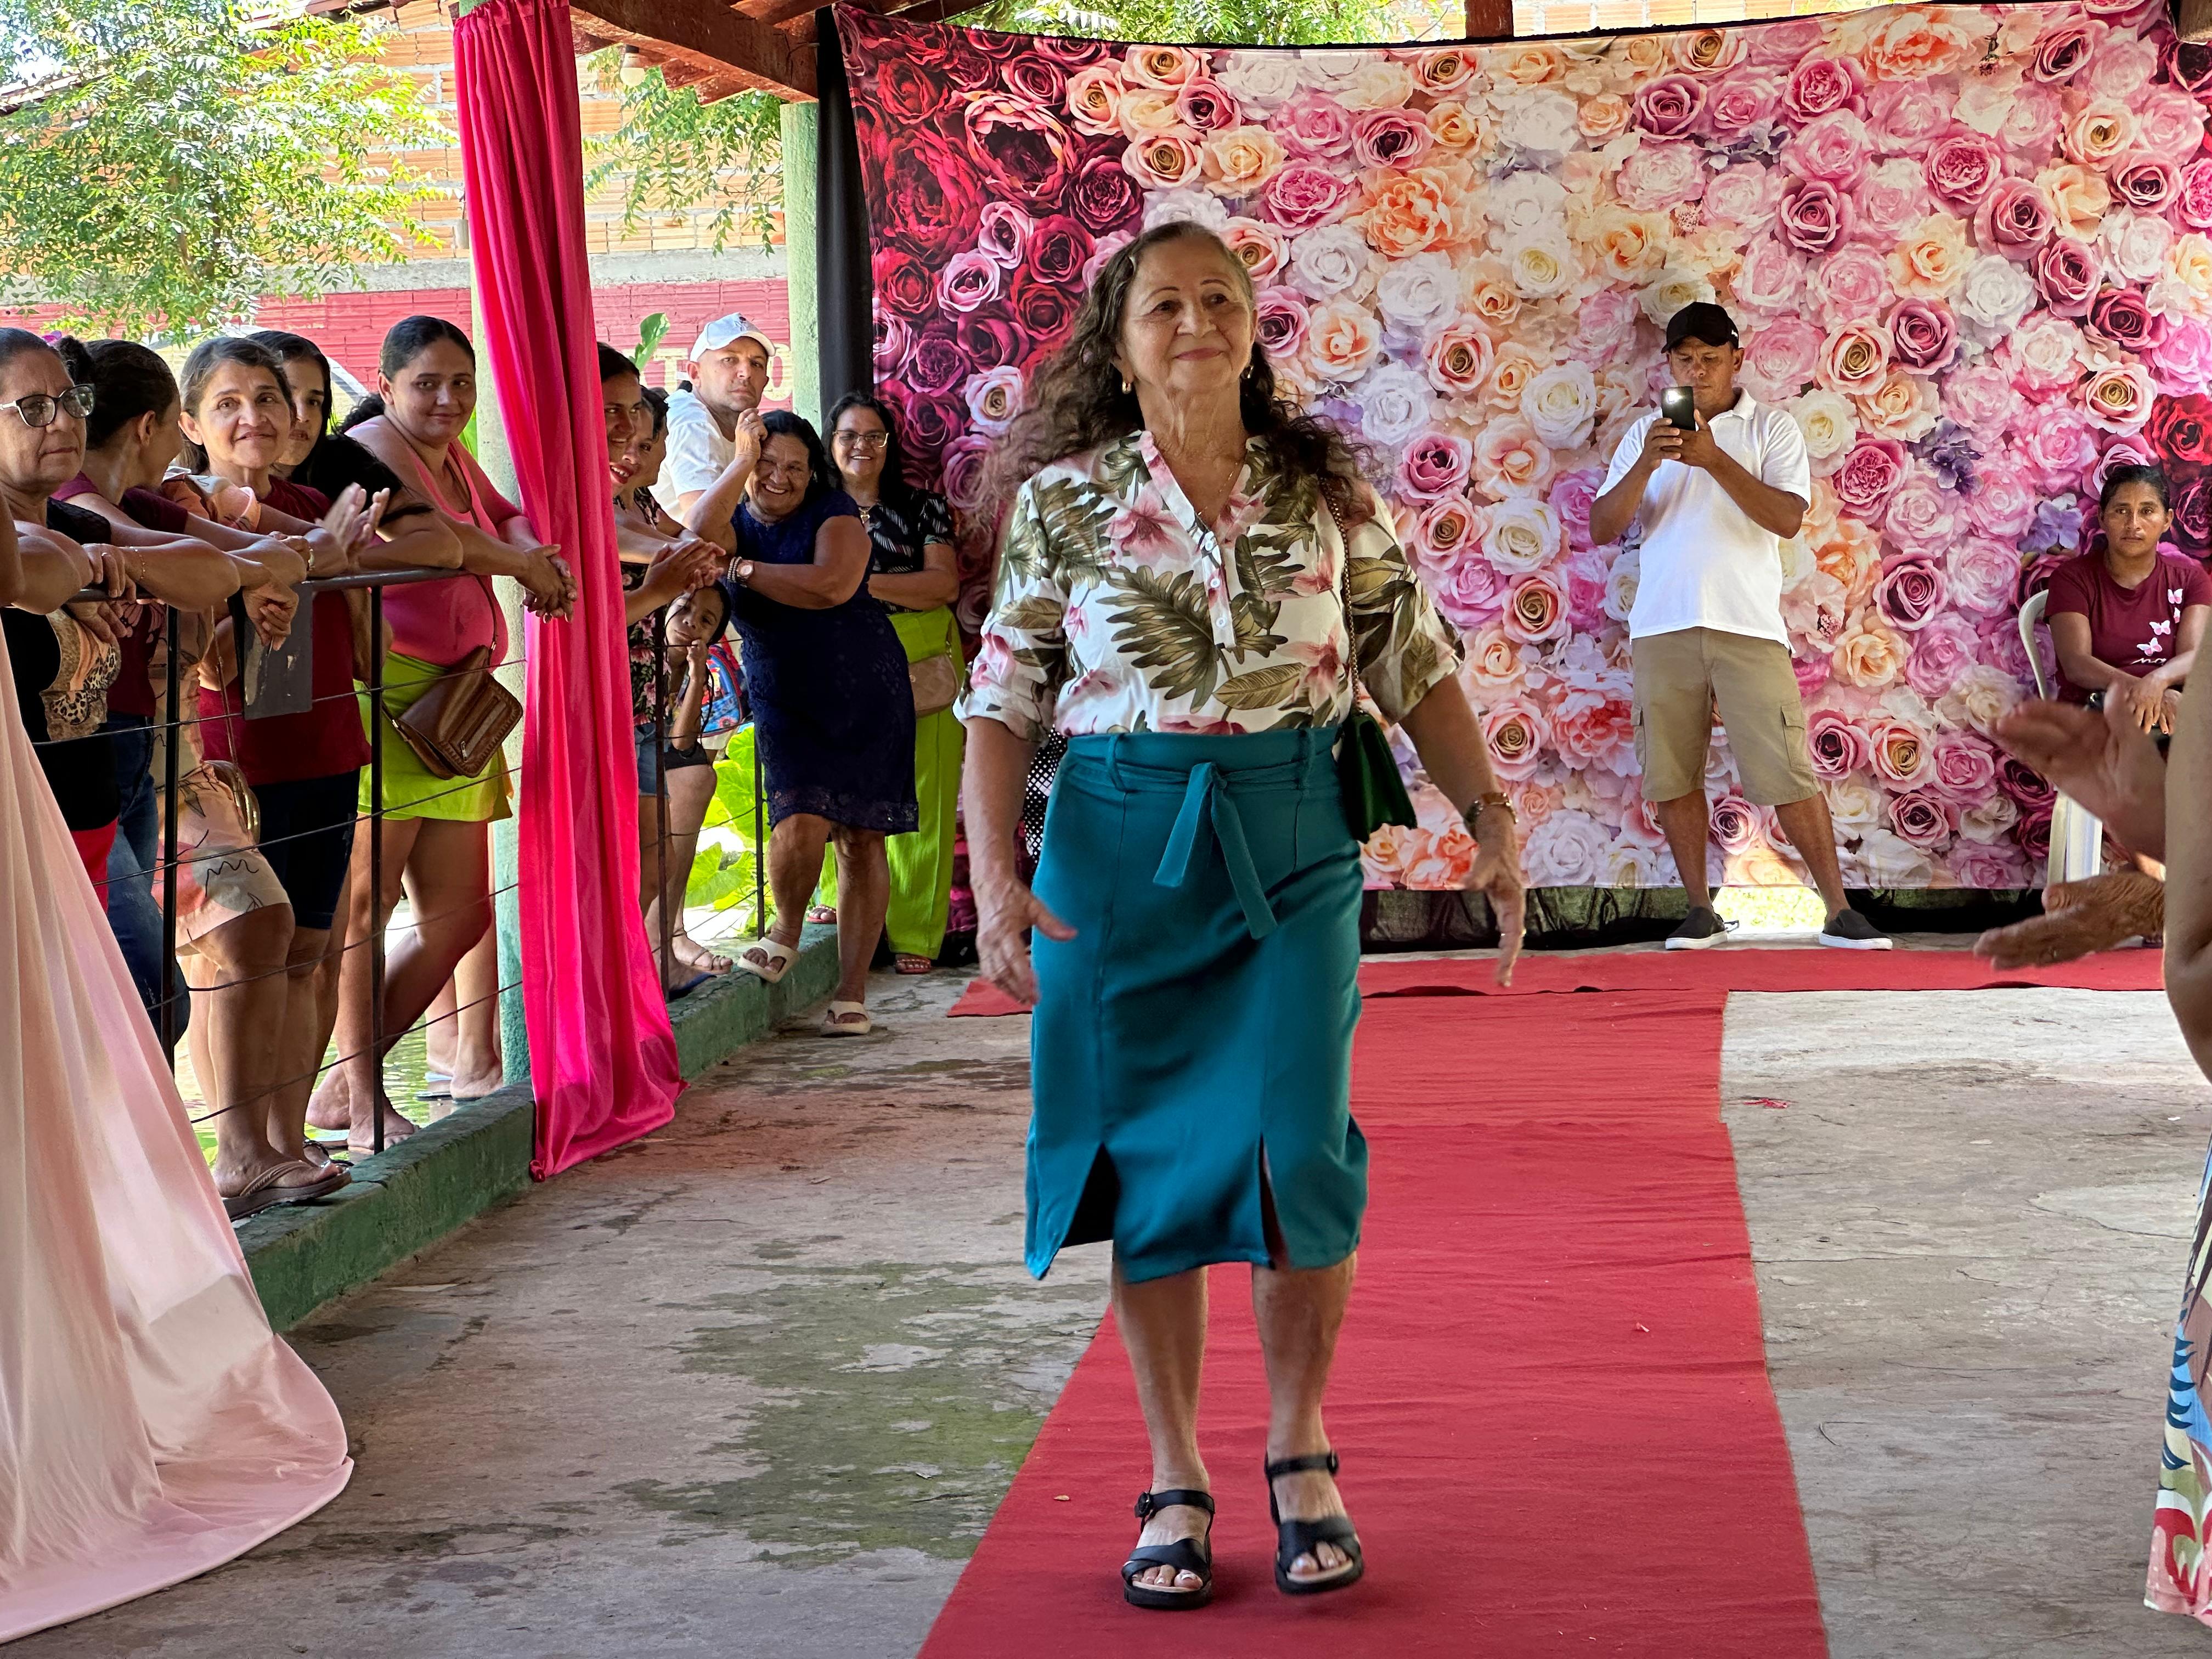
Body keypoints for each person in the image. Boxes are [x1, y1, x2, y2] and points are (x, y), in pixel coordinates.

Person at [961, 221, 1527, 1609]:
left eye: (1220, 298)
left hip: (1292, 844)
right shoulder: (1064, 503)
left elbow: (1413, 661)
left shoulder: (1321, 490)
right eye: (1165, 304)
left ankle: (1298, 1444)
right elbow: (1003, 699)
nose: (1196, 321)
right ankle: (1172, 1473)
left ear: (1252, 330)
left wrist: (1492, 818)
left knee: (1296, 1150)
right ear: (1119, 343)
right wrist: (996, 883)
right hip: (1115, 855)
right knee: (1146, 1157)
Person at [0, 503, 353, 1647]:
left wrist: (105, 559)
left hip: (96, 821)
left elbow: (181, 567)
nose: (48, 427)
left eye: (62, 414)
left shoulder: (86, 521)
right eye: (28, 416)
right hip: (70, 824)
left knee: (173, 1000)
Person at [315, 316, 574, 1145]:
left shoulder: (453, 451)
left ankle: (337, 1089)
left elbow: (504, 515)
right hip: (390, 701)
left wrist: (536, 555)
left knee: (459, 918)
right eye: (426, 384)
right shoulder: (372, 447)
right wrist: (522, 564)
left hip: (459, 707)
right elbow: (452, 544)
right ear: (386, 386)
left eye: (461, 383)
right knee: (366, 908)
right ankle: (363, 1101)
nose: (447, 399)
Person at [1588, 301, 1889, 952]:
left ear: (1736, 360)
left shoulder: (1771, 428)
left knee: (1786, 769)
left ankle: (1839, 911)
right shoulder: (1645, 434)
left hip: (1749, 626)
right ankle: (1700, 910)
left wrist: (1713, 459)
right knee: (1673, 774)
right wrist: (1647, 463)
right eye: (1684, 359)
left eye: (1710, 358)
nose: (1697, 371)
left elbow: (1786, 519)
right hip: (1663, 625)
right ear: (1669, 364)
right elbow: (1602, 528)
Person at [179, 335, 396, 1212]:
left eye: (268, 399)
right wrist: (300, 561)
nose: (254, 418)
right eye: (228, 403)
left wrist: (333, 559)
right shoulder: (183, 513)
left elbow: (367, 626)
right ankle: (239, 1147)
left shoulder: (311, 503)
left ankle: (284, 1137)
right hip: (233, 762)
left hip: (325, 746)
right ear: (189, 422)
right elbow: (210, 662)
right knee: (235, 957)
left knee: (307, 952)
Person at [58, 335, 311, 1032]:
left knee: (155, 972)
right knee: (146, 981)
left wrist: (250, 576)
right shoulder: (76, 508)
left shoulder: (142, 503)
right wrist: (242, 575)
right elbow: (209, 564)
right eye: (179, 424)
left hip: (143, 749)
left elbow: (271, 558)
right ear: (152, 426)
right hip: (88, 749)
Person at [684, 407, 915, 1037]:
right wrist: (739, 461)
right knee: (798, 816)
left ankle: (852, 992)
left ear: (813, 473)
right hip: (784, 693)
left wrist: (741, 571)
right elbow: (695, 534)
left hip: (863, 687)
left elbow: (830, 586)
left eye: (795, 466)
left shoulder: (834, 513)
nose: (779, 477)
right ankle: (786, 930)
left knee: (862, 836)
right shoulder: (732, 522)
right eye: (767, 463)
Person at [602, 345, 725, 991]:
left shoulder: (640, 502)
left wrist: (691, 559)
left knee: (650, 861)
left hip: (645, 703)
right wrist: (668, 579)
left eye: (640, 428)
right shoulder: (586, 505)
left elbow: (685, 540)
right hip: (599, 712)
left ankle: (635, 985)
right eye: (614, 416)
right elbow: (652, 556)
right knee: (616, 866)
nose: (630, 439)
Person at [827, 392, 963, 974]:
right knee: (834, 781)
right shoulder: (815, 508)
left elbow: (942, 586)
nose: (861, 446)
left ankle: (916, 932)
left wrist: (856, 586)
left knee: (923, 792)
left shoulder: (922, 507)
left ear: (889, 444)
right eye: (849, 435)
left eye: (873, 436)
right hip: (837, 653)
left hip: (921, 652)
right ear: (831, 444)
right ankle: (835, 899)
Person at [2044, 465, 2211, 732]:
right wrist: (2145, 691)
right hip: (2094, 715)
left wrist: (2158, 682)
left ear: (2167, 520)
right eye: (2121, 511)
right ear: (2102, 518)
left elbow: (2193, 657)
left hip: (2173, 709)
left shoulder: (2190, 579)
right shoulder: (2072, 578)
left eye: (2147, 511)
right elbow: (2076, 664)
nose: (2133, 524)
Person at [662, 313, 773, 522]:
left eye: (756, 363)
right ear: (695, 374)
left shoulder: (736, 424)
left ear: (765, 382)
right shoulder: (693, 422)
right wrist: (746, 457)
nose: (746, 372)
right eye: (729, 360)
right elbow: (703, 523)